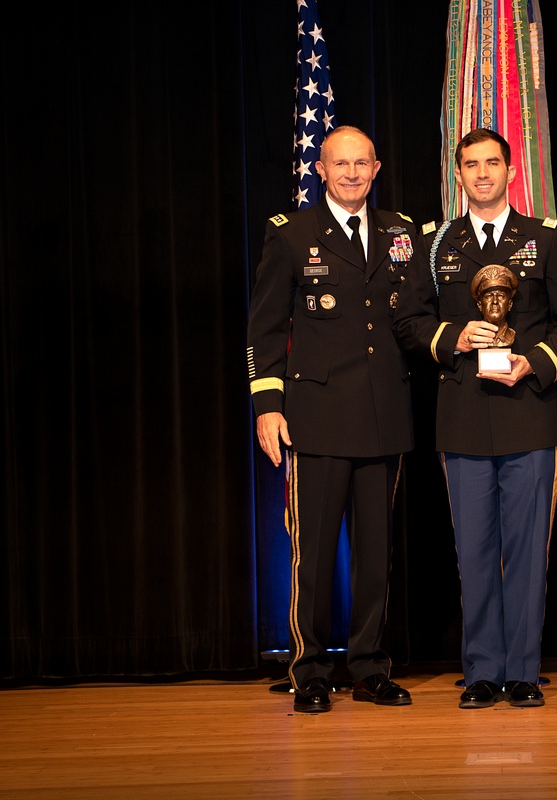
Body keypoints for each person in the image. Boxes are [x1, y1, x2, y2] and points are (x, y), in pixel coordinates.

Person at [393, 128, 557, 709]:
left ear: (511, 170)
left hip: (529, 415)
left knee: (529, 550)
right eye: (470, 165)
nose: (481, 174)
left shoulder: (545, 240)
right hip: (461, 418)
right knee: (474, 550)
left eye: (491, 163)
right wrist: (453, 337)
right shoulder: (437, 244)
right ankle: (482, 671)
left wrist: (534, 362)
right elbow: (408, 322)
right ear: (458, 173)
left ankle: (525, 672)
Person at [246, 126, 415, 713]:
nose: (350, 174)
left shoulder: (401, 233)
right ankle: (310, 669)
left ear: (375, 169)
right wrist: (268, 405)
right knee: (313, 556)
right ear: (321, 169)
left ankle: (370, 666)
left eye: (360, 164)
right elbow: (264, 331)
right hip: (315, 419)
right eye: (339, 164)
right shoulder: (292, 236)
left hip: (382, 416)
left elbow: (411, 318)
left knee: (376, 555)